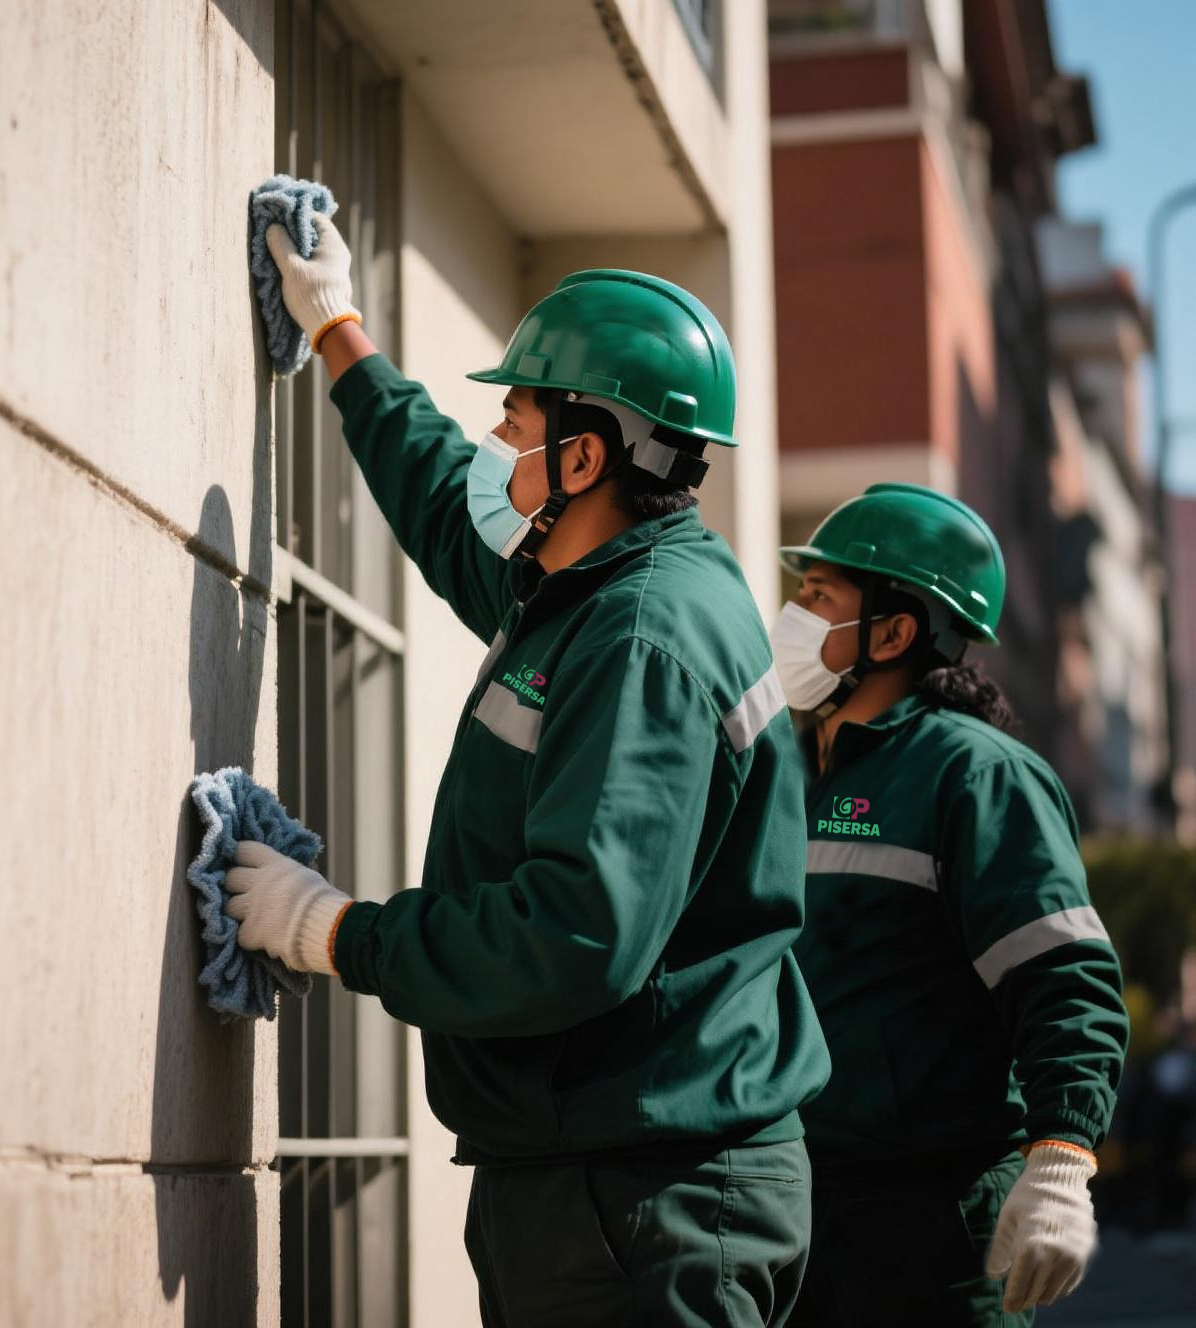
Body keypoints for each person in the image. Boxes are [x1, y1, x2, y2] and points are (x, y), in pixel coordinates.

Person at [221, 211, 830, 1326]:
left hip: (645, 1203)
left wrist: (335, 930)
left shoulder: (639, 636)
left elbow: (576, 933)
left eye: (513, 416)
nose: (492, 438)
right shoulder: (592, 582)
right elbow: (451, 503)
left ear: (585, 454)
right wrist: (336, 330)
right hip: (611, 1171)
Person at [768, 484, 1130, 1326]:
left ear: (894, 632)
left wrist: (1062, 1158)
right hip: (790, 1214)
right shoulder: (780, 769)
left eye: (820, 597)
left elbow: (1063, 976)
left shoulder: (976, 775)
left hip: (934, 1231)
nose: (793, 616)